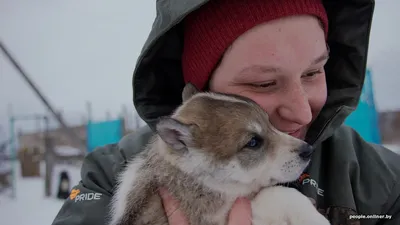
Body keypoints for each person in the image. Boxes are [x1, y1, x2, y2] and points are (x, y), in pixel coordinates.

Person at [52, 0, 400, 224]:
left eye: (314, 72)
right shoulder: (109, 177)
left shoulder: (384, 185)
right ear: (202, 93)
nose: (302, 114)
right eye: (263, 84)